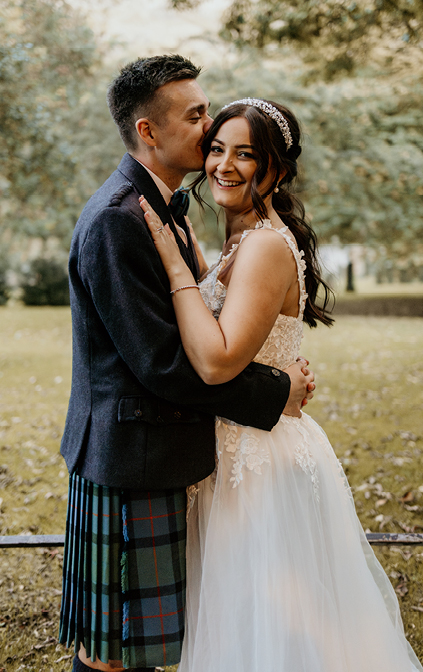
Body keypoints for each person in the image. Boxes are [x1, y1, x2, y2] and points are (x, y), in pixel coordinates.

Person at [140, 98, 423, 670]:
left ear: (279, 168)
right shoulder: (242, 240)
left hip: (260, 461)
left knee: (275, 633)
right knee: (247, 626)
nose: (224, 164)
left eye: (246, 154)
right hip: (236, 449)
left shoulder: (266, 245)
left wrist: (176, 270)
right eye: (217, 149)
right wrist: (199, 265)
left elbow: (218, 362)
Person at [57, 55, 315, 672]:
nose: (209, 131)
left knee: (142, 649)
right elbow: (164, 364)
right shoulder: (121, 220)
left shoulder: (167, 209)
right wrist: (274, 391)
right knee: (112, 655)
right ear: (149, 131)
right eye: (196, 116)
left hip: (156, 452)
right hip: (129, 459)